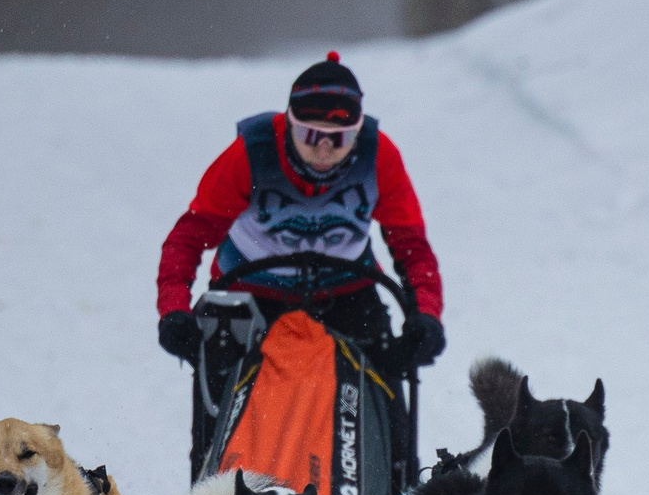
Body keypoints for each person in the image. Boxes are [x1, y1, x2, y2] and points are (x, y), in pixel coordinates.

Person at [155, 52, 444, 366]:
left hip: (346, 292)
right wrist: (174, 309)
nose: (323, 150)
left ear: (358, 132)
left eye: (339, 138)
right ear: (289, 123)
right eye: (310, 134)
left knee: (386, 376)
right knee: (221, 376)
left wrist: (426, 314)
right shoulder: (250, 155)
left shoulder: (379, 158)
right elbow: (189, 237)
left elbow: (411, 246)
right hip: (247, 293)